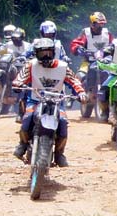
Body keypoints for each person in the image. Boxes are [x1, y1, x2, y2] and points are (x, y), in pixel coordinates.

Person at [12, 38, 87, 167]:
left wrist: (81, 92)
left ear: (53, 53)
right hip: (35, 100)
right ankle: (23, 144)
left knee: (63, 122)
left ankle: (59, 153)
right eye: (42, 53)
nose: (46, 56)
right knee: (27, 118)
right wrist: (17, 84)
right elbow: (20, 78)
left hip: (57, 102)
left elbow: (74, 80)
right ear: (36, 54)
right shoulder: (31, 65)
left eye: (48, 53)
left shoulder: (63, 67)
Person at [70, 11, 114, 83]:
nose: (100, 27)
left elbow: (113, 45)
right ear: (92, 24)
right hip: (88, 62)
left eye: (102, 24)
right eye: (98, 24)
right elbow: (76, 43)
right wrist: (78, 49)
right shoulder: (86, 32)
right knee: (79, 76)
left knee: (113, 76)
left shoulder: (107, 33)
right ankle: (78, 93)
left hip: (105, 63)